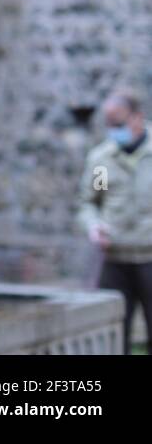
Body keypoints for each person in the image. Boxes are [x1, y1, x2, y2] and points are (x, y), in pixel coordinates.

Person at [77, 88, 152, 353]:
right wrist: (93, 225)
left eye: (118, 124)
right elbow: (89, 203)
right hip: (115, 259)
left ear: (137, 118)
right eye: (109, 125)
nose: (113, 131)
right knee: (114, 335)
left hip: (149, 256)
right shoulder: (102, 160)